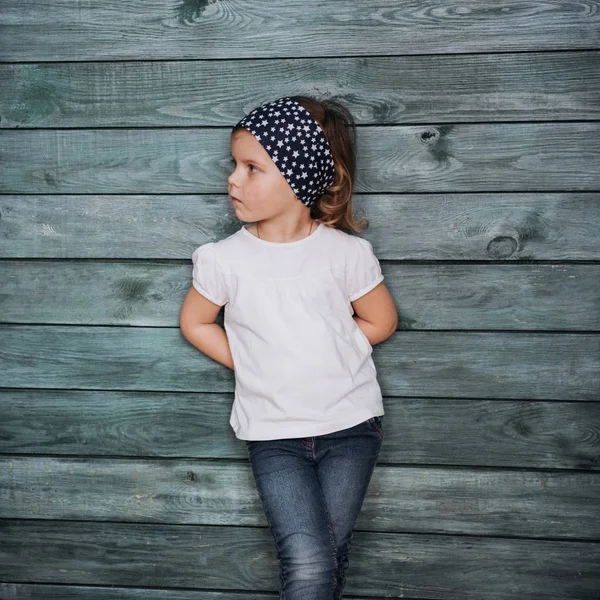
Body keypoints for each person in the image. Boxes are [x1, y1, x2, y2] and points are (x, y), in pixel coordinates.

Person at [179, 95, 398, 600]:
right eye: (234, 165)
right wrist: (257, 362)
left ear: (300, 177)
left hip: (351, 428)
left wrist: (325, 353)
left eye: (252, 167)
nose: (233, 178)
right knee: (308, 565)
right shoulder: (225, 260)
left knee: (328, 559)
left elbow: (380, 321)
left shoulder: (345, 253)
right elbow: (195, 322)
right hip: (275, 437)